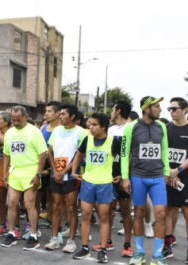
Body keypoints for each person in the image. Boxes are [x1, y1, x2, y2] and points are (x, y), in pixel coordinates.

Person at [121, 96, 170, 265]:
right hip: (138, 176)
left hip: (157, 177)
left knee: (161, 214)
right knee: (139, 212)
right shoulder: (131, 128)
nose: (160, 109)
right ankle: (140, 253)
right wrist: (125, 177)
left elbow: (164, 151)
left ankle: (158, 255)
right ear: (147, 109)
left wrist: (166, 173)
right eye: (157, 106)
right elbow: (124, 154)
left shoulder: (162, 126)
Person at [71, 113, 119, 263]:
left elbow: (125, 158)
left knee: (104, 218)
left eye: (94, 125)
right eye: (89, 124)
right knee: (85, 215)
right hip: (88, 182)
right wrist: (74, 171)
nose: (90, 127)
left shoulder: (113, 141)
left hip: (105, 183)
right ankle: (85, 248)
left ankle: (103, 249)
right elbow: (79, 155)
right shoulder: (87, 139)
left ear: (103, 126)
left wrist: (121, 175)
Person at [1, 106, 48, 250]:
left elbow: (43, 154)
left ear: (26, 117)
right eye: (13, 120)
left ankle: (33, 235)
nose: (15, 122)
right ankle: (11, 233)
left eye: (18, 120)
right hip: (15, 172)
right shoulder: (9, 133)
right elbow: (6, 154)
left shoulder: (34, 132)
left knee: (29, 204)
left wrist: (38, 174)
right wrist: (4, 173)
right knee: (12, 203)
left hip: (30, 171)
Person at [44, 103, 86, 253]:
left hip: (71, 175)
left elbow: (79, 156)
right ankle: (54, 238)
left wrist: (64, 172)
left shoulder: (81, 132)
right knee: (56, 206)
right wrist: (55, 171)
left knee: (71, 207)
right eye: (59, 114)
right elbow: (50, 151)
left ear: (72, 117)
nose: (60, 117)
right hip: (56, 175)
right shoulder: (56, 131)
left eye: (63, 114)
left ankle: (71, 241)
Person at [163, 97, 188, 261]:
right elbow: (162, 152)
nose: (171, 112)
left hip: (186, 176)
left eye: (174, 109)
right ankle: (167, 244)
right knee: (169, 209)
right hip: (169, 176)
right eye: (169, 109)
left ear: (185, 109)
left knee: (187, 211)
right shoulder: (166, 128)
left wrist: (178, 170)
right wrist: (169, 172)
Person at [107, 101, 134, 257]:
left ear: (117, 111)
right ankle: (107, 242)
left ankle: (127, 245)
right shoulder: (110, 129)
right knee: (108, 210)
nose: (111, 112)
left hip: (123, 176)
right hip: (109, 175)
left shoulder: (130, 128)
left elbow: (130, 155)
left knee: (124, 210)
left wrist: (124, 175)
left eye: (112, 109)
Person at [38, 101, 61, 225]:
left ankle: (55, 220)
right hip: (43, 163)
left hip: (56, 164)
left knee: (54, 195)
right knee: (42, 193)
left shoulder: (61, 129)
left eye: (49, 111)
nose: (46, 114)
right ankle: (45, 217)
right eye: (45, 111)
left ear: (58, 113)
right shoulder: (43, 128)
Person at [0, 111, 13, 237]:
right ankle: (3, 225)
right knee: (1, 200)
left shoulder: (13, 133)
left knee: (12, 201)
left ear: (6, 121)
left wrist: (3, 141)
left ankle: (14, 226)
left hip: (12, 170)